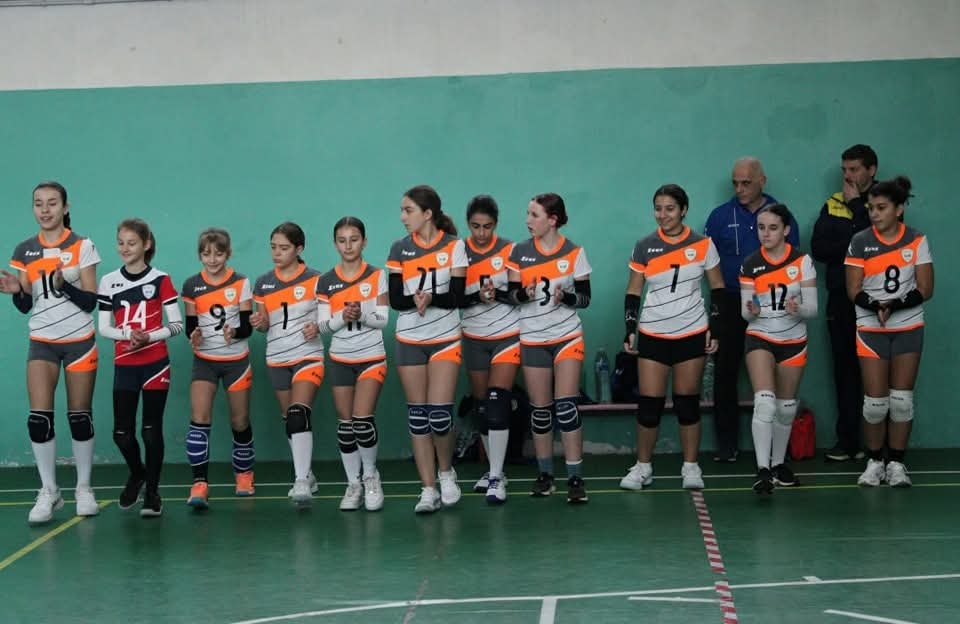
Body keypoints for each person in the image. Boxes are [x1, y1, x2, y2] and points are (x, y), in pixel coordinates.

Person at [0, 182, 101, 524]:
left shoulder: (82, 246)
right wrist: (16, 291)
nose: (45, 210)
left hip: (79, 342)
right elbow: (26, 305)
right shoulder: (25, 251)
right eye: (39, 203)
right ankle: (49, 491)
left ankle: (83, 489)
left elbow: (91, 302)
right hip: (42, 341)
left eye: (52, 203)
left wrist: (65, 286)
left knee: (79, 417)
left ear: (65, 207)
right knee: (39, 420)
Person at [621, 184, 722, 491]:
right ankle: (643, 467)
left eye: (669, 209)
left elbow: (718, 288)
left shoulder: (703, 244)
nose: (662, 215)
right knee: (648, 406)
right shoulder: (644, 246)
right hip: (653, 333)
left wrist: (715, 329)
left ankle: (690, 467)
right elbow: (633, 291)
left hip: (691, 332)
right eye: (658, 209)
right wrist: (630, 329)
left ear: (683, 210)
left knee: (687, 403)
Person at [704, 157, 799, 461]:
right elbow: (707, 264)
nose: (739, 188)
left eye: (746, 182)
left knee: (778, 374)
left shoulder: (780, 216)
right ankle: (727, 445)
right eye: (735, 183)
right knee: (725, 372)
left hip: (773, 303)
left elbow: (794, 261)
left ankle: (777, 449)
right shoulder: (719, 217)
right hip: (731, 301)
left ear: (762, 181)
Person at [845, 176, 933, 488]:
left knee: (901, 401)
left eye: (881, 208)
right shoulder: (859, 242)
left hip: (908, 327)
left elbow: (926, 288)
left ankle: (896, 463)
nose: (874, 214)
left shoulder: (916, 240)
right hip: (871, 328)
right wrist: (875, 305)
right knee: (875, 403)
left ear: (899, 209)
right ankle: (874, 462)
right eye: (871, 208)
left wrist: (894, 305)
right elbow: (853, 289)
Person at [386, 185, 467, 514]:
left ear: (428, 213)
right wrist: (416, 300)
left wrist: (432, 298)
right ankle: (428, 488)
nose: (402, 217)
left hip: (445, 338)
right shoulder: (399, 249)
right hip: (409, 339)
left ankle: (446, 473)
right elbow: (395, 299)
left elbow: (458, 296)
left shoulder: (454, 246)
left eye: (408, 210)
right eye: (402, 210)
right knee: (418, 417)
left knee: (440, 415)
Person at [507, 192, 591, 504]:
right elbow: (511, 296)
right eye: (528, 214)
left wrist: (565, 297)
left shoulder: (574, 252)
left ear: (552, 220)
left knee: (566, 408)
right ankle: (545, 476)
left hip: (566, 337)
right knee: (540, 412)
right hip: (532, 338)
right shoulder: (519, 252)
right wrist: (523, 295)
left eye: (534, 215)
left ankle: (575, 477)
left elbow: (585, 298)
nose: (528, 221)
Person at [98, 219, 183, 517]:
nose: (125, 248)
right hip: (125, 364)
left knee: (150, 430)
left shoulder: (161, 279)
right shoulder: (109, 281)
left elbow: (176, 325)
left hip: (155, 363)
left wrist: (148, 337)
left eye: (131, 243)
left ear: (146, 245)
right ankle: (138, 474)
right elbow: (103, 328)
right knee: (121, 433)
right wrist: (127, 334)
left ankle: (153, 493)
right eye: (120, 242)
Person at [739, 204, 818, 495]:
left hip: (793, 341)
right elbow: (746, 313)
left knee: (785, 408)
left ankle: (778, 464)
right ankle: (762, 470)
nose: (766, 233)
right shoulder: (750, 264)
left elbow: (812, 309)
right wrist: (752, 310)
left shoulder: (802, 262)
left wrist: (799, 308)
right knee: (765, 403)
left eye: (773, 228)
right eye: (761, 228)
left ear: (785, 230)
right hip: (760, 336)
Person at [317, 217, 389, 512]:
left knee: (362, 420)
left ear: (364, 242)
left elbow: (383, 320)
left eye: (354, 239)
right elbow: (323, 326)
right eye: (342, 240)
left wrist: (362, 315)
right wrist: (341, 318)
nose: (348, 245)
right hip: (340, 359)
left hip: (371, 357)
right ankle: (353, 483)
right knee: (346, 426)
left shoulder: (376, 275)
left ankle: (371, 476)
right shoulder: (326, 281)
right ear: (335, 244)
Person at [251, 222, 324, 508]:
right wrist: (259, 322)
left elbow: (327, 317)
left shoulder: (316, 280)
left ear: (299, 249)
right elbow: (264, 325)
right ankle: (308, 474)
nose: (276, 253)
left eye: (283, 248)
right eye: (273, 247)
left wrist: (317, 326)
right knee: (289, 420)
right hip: (277, 357)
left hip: (308, 356)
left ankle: (301, 480)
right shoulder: (263, 283)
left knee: (297, 413)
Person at [181, 228, 255, 509]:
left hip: (236, 362)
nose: (212, 259)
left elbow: (247, 327)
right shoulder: (191, 286)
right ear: (199, 255)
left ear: (228, 254)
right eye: (206, 254)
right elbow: (191, 326)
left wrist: (233, 333)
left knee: (240, 421)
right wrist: (194, 335)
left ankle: (244, 475)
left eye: (218, 254)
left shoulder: (240, 282)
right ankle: (199, 483)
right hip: (205, 361)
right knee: (199, 419)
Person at [811, 144, 877, 462]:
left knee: (878, 373)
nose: (848, 176)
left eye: (854, 169)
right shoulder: (832, 204)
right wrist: (855, 239)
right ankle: (848, 442)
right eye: (844, 170)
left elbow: (877, 242)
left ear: (871, 170)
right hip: (840, 299)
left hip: (878, 300)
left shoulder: (884, 201)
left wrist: (856, 207)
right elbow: (820, 248)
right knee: (844, 370)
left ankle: (881, 446)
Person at [461, 195, 520, 504]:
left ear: (496, 224)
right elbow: (453, 297)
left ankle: (496, 475)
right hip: (473, 336)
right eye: (475, 226)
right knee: (482, 406)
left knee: (498, 401)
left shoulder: (510, 250)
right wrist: (476, 297)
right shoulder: (459, 252)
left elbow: (518, 294)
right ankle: (495, 470)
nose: (481, 233)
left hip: (507, 335)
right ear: (467, 224)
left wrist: (496, 293)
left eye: (487, 226)